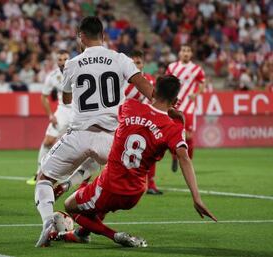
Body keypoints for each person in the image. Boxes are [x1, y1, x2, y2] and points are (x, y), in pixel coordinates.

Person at [34, 16, 154, 247]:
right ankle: (80, 203)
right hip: (110, 137)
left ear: (81, 36)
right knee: (102, 171)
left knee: (44, 179)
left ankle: (48, 220)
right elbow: (147, 88)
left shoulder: (73, 64)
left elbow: (66, 97)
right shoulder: (120, 59)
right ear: (103, 35)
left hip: (79, 133)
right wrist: (169, 109)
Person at [58, 75, 217, 247]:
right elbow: (184, 158)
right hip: (135, 193)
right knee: (96, 202)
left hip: (111, 185)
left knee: (70, 206)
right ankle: (81, 234)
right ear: (176, 100)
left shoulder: (129, 107)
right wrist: (196, 198)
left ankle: (115, 236)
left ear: (154, 92)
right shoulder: (173, 128)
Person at [26, 50, 71, 185]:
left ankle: (78, 177)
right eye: (60, 60)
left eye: (65, 59)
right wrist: (50, 115)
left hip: (79, 112)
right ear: (56, 61)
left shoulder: (79, 71)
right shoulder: (52, 76)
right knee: (48, 141)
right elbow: (44, 97)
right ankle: (38, 172)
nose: (63, 62)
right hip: (63, 110)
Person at [124, 50, 161, 195]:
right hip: (126, 123)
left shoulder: (150, 81)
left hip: (146, 123)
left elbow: (154, 102)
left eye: (138, 63)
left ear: (143, 64)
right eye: (132, 63)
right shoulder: (122, 81)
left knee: (150, 153)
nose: (135, 66)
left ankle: (151, 184)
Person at [166, 44, 206, 172]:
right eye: (183, 50)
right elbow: (166, 82)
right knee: (173, 135)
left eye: (188, 51)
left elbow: (202, 84)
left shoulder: (196, 69)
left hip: (189, 106)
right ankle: (174, 157)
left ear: (191, 54)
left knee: (188, 136)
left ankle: (189, 162)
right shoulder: (172, 67)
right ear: (179, 53)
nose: (186, 53)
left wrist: (196, 94)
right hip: (175, 106)